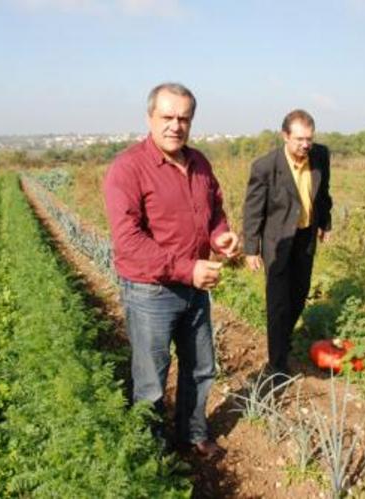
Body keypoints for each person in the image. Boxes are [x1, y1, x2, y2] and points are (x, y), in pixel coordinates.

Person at [103, 82, 239, 457]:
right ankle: (150, 451)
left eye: (184, 118)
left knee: (201, 368)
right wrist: (187, 269)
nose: (175, 126)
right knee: (151, 379)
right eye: (167, 117)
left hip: (195, 288)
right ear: (150, 118)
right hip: (151, 292)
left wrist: (221, 236)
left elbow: (214, 213)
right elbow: (128, 241)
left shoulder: (200, 163)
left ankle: (193, 434)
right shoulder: (128, 168)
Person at [242, 109, 333, 381]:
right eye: (299, 139)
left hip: (305, 236)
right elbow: (253, 209)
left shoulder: (320, 155)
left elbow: (324, 192)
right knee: (278, 301)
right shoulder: (265, 166)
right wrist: (251, 248)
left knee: (299, 293)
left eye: (309, 139)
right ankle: (277, 364)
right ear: (285, 136)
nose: (305, 145)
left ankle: (284, 337)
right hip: (277, 240)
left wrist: (325, 222)